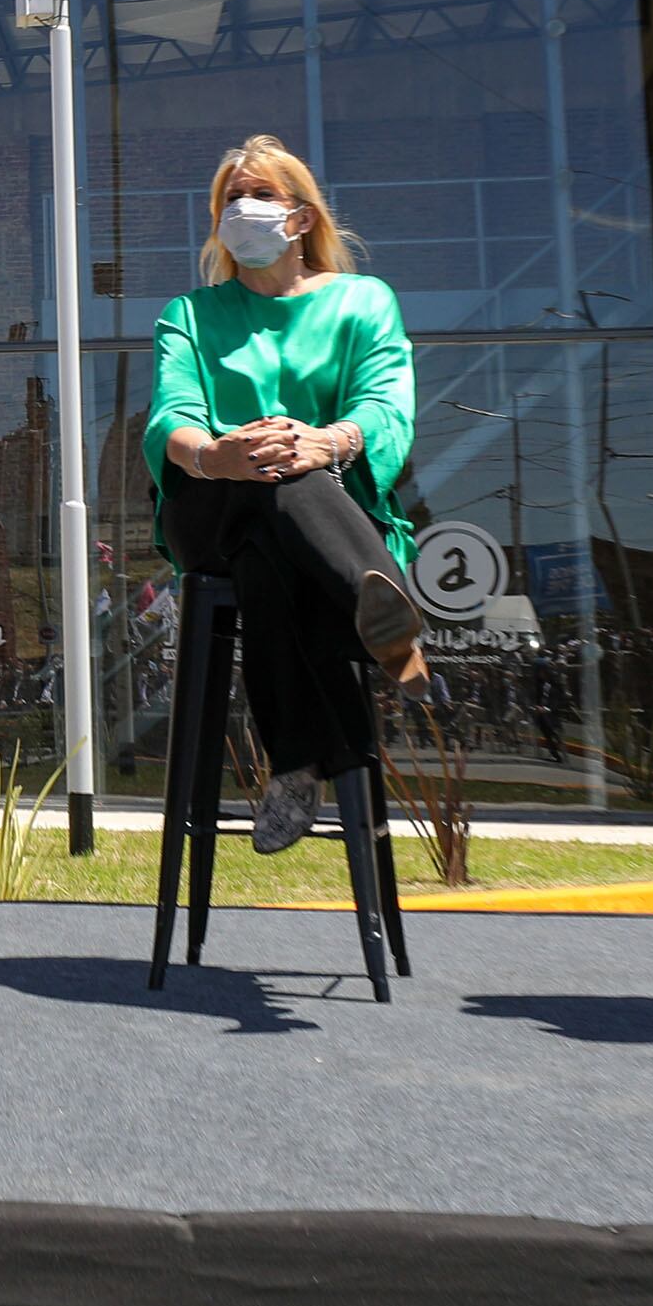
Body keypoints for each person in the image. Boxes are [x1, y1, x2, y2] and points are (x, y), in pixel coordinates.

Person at [143, 136, 426, 856]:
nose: (241, 208)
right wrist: (216, 455)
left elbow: (386, 409)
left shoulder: (362, 302)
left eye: (260, 195)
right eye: (229, 199)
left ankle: (295, 767)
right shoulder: (192, 312)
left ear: (300, 219)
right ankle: (381, 609)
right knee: (267, 475)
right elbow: (169, 418)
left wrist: (322, 443)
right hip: (207, 504)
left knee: (275, 525)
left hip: (314, 512)